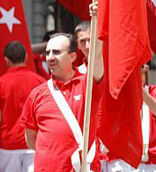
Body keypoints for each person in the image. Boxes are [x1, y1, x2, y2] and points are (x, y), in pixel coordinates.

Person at [20, 32, 104, 172]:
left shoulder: (88, 84)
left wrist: (99, 16)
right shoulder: (37, 93)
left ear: (73, 57)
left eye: (57, 52)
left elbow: (96, 57)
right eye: (48, 53)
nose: (50, 57)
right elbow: (31, 139)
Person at [102, 64, 156, 172]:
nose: (138, 78)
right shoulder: (119, 97)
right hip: (131, 161)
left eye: (140, 74)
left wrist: (140, 92)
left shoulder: (152, 91)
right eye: (134, 76)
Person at [0, 41, 44, 171]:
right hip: (34, 143)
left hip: (8, 145)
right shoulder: (40, 82)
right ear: (26, 57)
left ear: (6, 60)